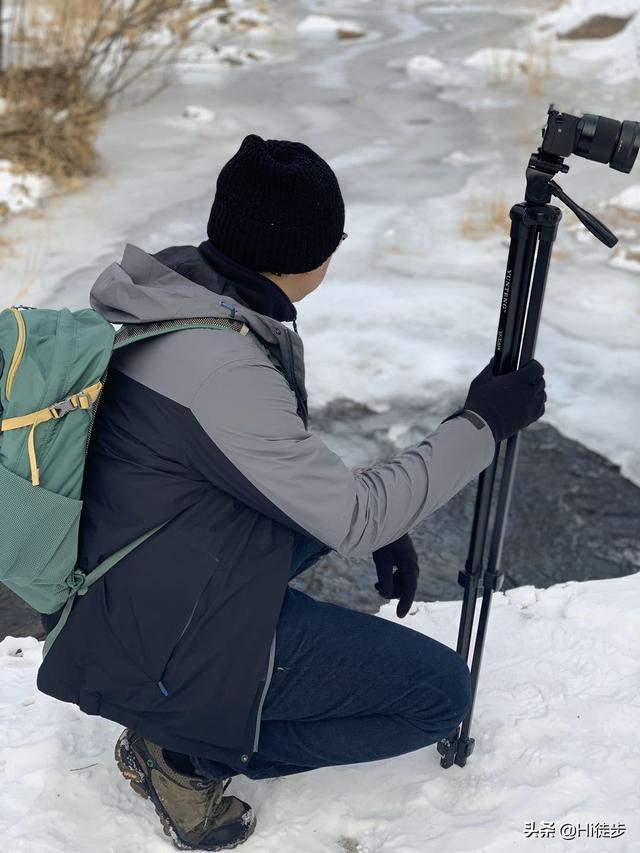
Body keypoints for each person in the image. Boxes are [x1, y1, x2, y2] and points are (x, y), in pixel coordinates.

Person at [37, 134, 546, 851]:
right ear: (311, 253)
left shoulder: (182, 295)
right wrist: (482, 424)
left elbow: (262, 453)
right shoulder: (220, 363)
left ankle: (184, 721)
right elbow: (347, 507)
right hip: (157, 632)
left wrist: (373, 519)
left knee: (342, 514)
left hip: (131, 581)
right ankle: (184, 755)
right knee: (439, 695)